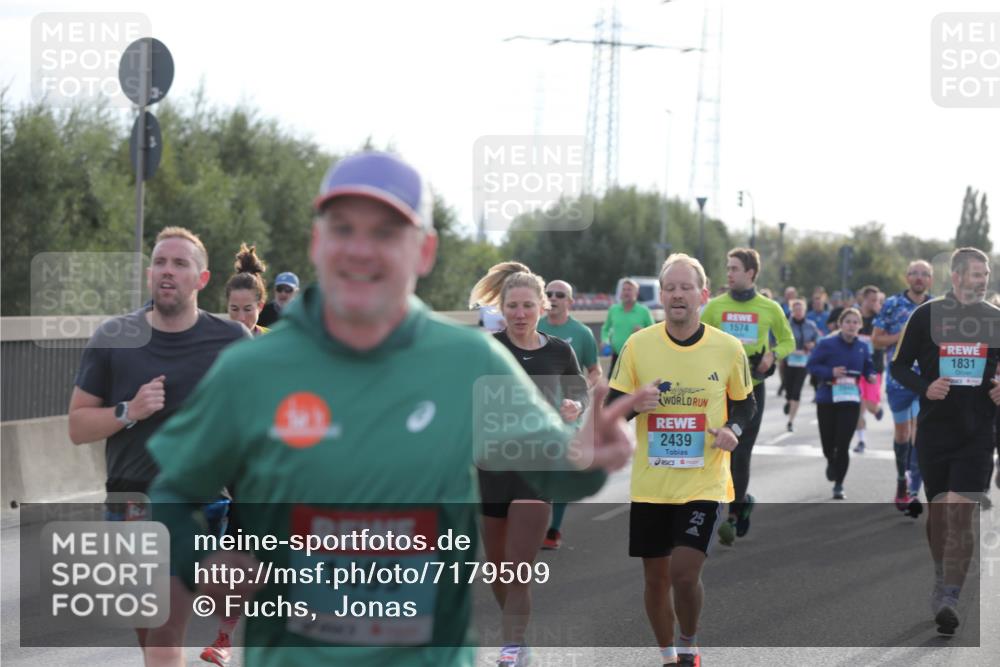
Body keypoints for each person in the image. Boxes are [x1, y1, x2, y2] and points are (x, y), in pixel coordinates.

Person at [144, 151, 640, 667]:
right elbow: (174, 489)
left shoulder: (468, 362)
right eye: (343, 228)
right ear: (318, 243)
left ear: (424, 250)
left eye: (386, 232)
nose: (361, 249)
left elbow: (557, 470)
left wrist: (593, 453)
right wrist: (203, 562)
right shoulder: (252, 369)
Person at [67, 227, 251, 659]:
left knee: (166, 629)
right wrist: (128, 411)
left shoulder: (231, 342)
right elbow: (77, 426)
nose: (167, 271)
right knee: (150, 633)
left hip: (196, 503)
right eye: (160, 262)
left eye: (180, 263)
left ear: (201, 279)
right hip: (128, 502)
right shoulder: (114, 337)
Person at [609, 253, 755, 667]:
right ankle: (668, 654)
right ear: (662, 296)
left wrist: (734, 431)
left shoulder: (727, 348)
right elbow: (613, 407)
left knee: (684, 573)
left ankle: (689, 645)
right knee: (655, 580)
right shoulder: (639, 345)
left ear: (703, 295)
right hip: (652, 484)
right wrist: (638, 402)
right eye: (669, 288)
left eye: (685, 287)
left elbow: (746, 405)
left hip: (703, 481)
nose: (676, 295)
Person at [469, 262, 589, 666]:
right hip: (492, 470)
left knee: (520, 566)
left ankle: (510, 649)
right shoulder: (488, 350)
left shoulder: (560, 351)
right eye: (512, 306)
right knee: (499, 570)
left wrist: (575, 407)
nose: (520, 314)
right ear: (502, 308)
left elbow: (579, 396)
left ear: (542, 307)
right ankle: (519, 639)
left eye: (527, 306)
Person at [889, 247, 1000, 636]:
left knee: (960, 513)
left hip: (978, 434)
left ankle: (951, 595)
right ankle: (941, 576)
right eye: (975, 274)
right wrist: (926, 386)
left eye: (986, 274)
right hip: (935, 432)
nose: (983, 280)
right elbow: (898, 365)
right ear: (955, 276)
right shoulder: (926, 316)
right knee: (939, 516)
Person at [700, 247, 794, 544]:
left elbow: (788, 340)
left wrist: (773, 356)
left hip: (751, 391)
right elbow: (699, 339)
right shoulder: (715, 307)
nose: (728, 273)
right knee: (716, 452)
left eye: (734, 269)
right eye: (727, 268)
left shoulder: (770, 308)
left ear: (751, 273)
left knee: (740, 454)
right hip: (718, 391)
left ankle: (734, 512)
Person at [537, 278, 602, 550]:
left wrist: (579, 395)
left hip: (567, 413)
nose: (553, 298)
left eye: (560, 294)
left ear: (570, 301)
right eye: (549, 293)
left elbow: (595, 371)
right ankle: (533, 524)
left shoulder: (582, 333)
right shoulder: (534, 325)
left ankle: (553, 529)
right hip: (536, 412)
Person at [873, 260, 933, 512]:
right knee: (902, 435)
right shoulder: (892, 305)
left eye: (924, 274)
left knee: (920, 435)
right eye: (914, 273)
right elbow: (876, 341)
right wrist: (905, 336)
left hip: (927, 381)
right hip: (899, 379)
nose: (919, 278)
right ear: (907, 277)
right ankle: (901, 479)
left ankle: (912, 491)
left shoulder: (937, 307)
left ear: (930, 279)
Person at [806, 308, 877, 499]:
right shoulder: (826, 343)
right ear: (840, 324)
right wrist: (831, 372)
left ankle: (839, 484)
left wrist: (870, 375)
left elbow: (868, 365)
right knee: (828, 442)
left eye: (856, 322)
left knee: (843, 443)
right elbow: (812, 365)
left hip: (851, 399)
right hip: (828, 397)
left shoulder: (862, 346)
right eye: (848, 322)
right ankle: (830, 459)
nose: (852, 325)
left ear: (860, 326)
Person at [852, 285, 886, 452]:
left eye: (878, 300)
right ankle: (861, 441)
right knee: (859, 406)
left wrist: (880, 312)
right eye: (872, 300)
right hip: (856, 368)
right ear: (863, 299)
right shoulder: (854, 317)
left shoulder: (880, 318)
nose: (875, 303)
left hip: (875, 368)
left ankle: (878, 410)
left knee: (870, 405)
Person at [601, 278, 655, 376]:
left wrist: (643, 331)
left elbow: (654, 333)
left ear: (636, 293)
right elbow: (605, 329)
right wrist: (605, 341)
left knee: (635, 389)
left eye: (629, 289)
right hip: (617, 356)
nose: (626, 292)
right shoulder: (614, 309)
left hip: (637, 358)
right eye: (624, 289)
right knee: (612, 389)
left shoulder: (644, 311)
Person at [783, 299, 821, 432]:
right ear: (792, 311)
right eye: (795, 310)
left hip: (803, 362)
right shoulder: (786, 324)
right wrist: (787, 348)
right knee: (788, 389)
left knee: (796, 391)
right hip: (788, 361)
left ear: (804, 311)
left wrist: (812, 344)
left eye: (800, 310)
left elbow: (818, 340)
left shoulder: (811, 325)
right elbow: (777, 339)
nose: (798, 312)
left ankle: (790, 421)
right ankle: (788, 401)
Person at [226, 243, 271, 337]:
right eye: (234, 309)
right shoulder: (215, 341)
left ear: (260, 306)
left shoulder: (273, 339)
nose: (241, 318)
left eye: (247, 309)